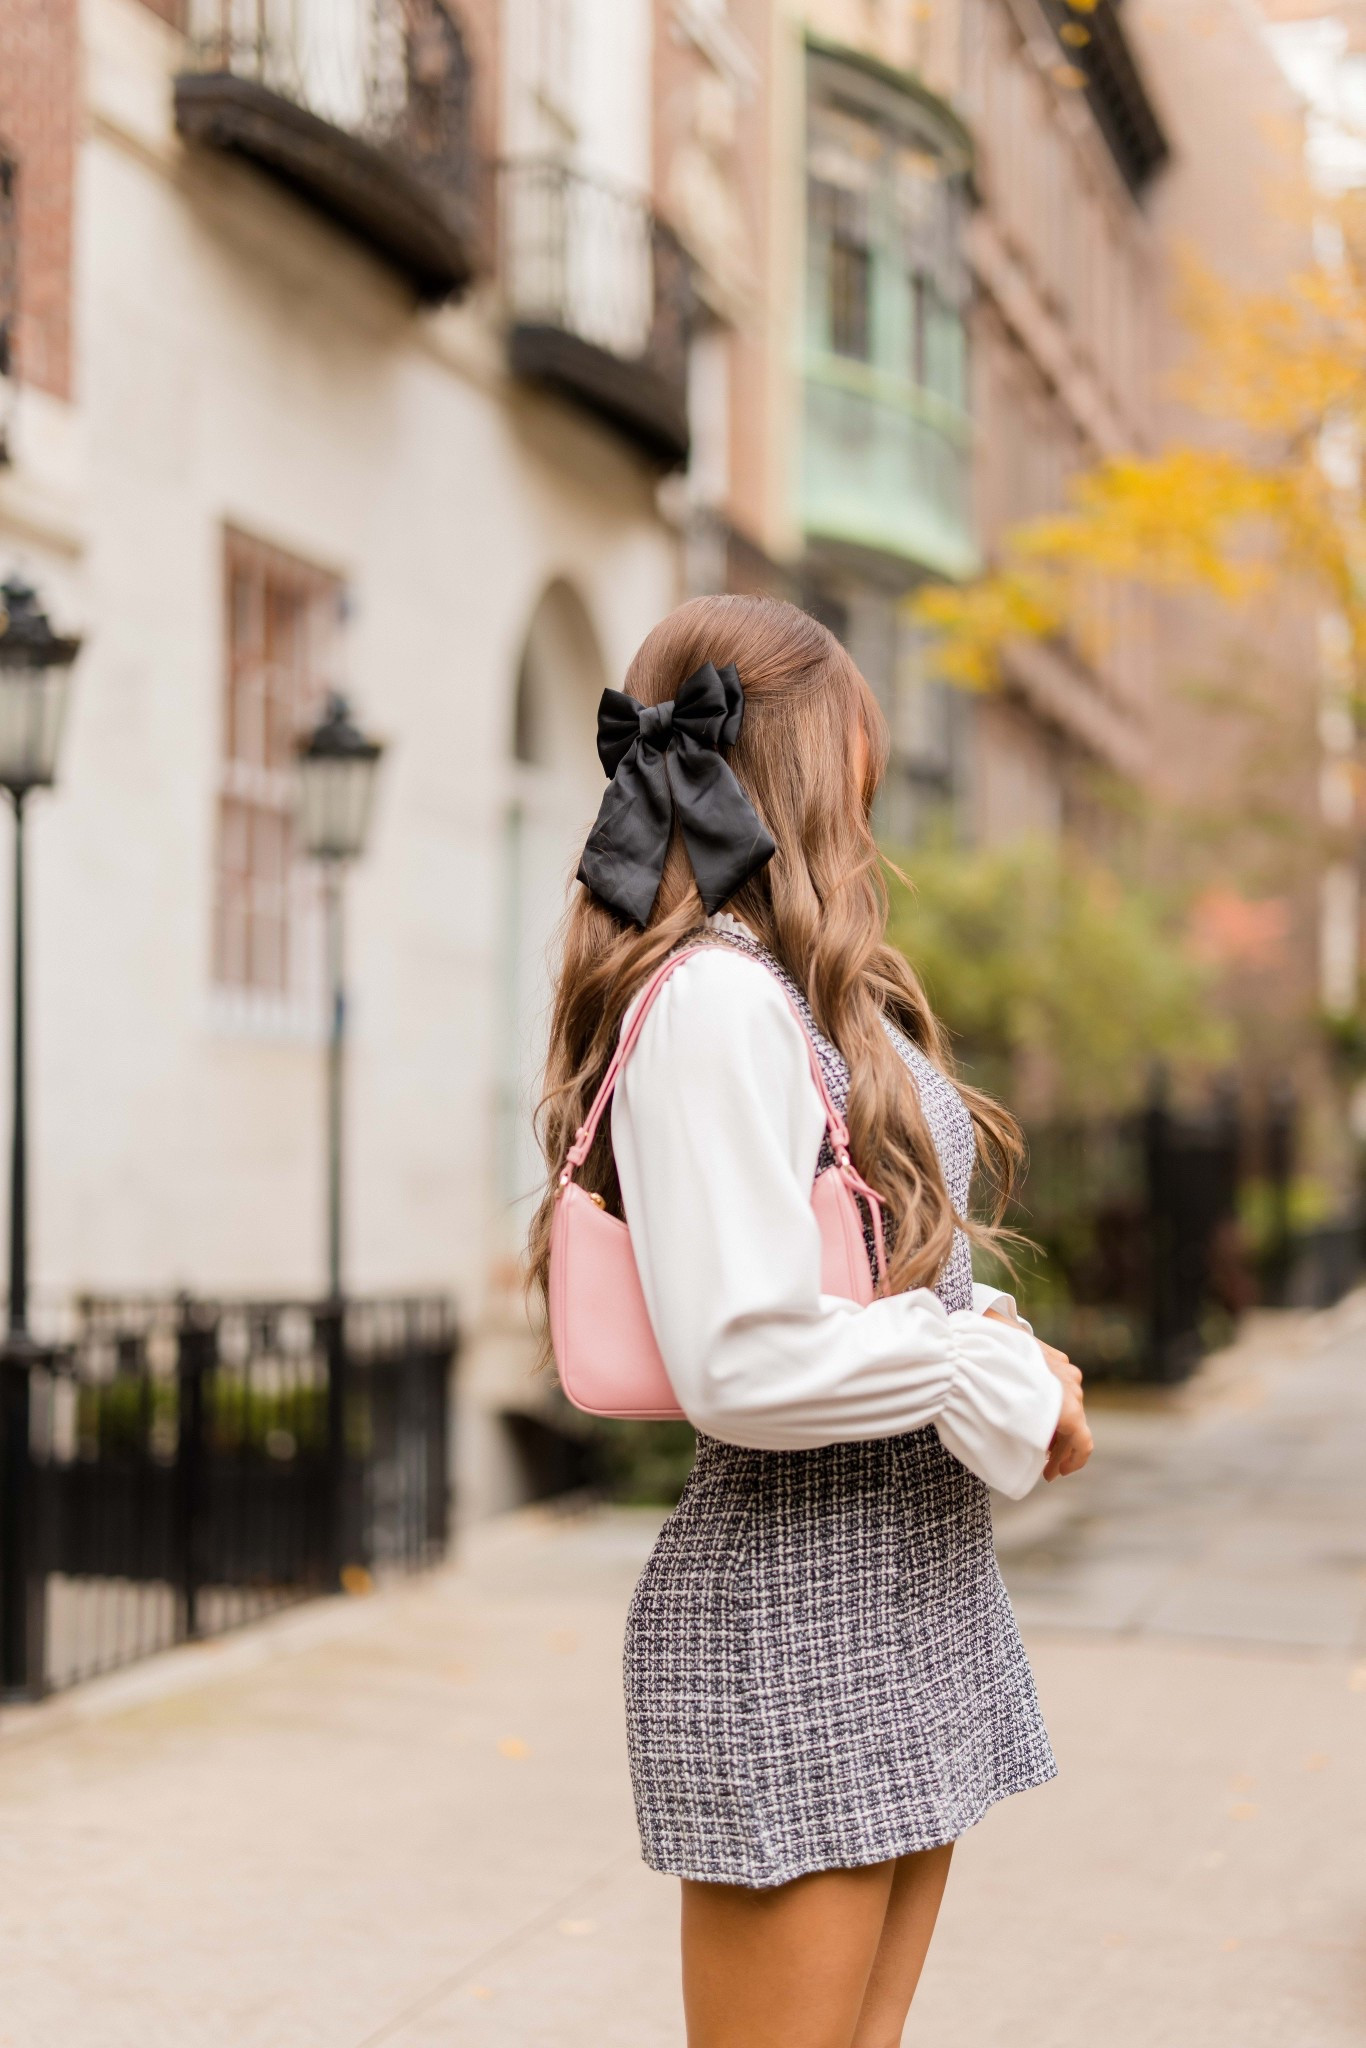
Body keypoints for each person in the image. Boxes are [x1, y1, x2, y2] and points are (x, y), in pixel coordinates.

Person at [529, 595, 1092, 2048]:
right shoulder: (713, 1000)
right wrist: (991, 1367)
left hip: (905, 1585)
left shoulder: (794, 994)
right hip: (791, 1610)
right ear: (794, 759)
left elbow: (861, 1275)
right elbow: (744, 1356)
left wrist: (1005, 1351)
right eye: (860, 754)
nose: (870, 793)